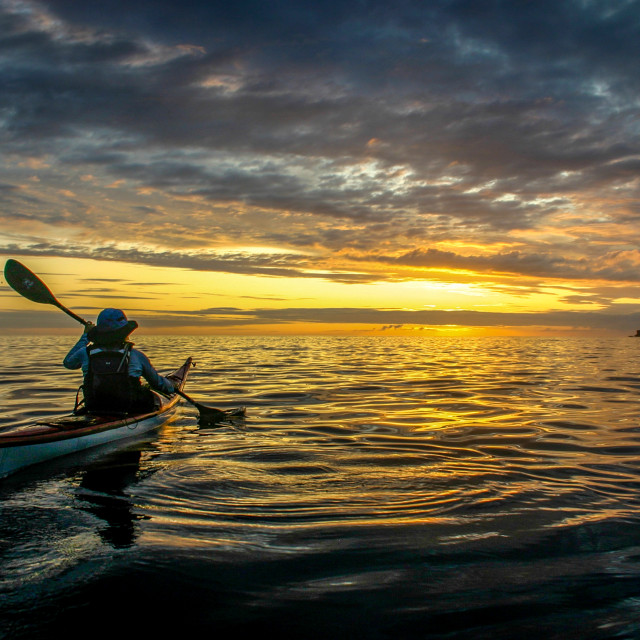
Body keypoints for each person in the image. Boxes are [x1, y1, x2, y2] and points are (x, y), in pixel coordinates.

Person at [64, 308, 177, 414]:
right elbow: (157, 383)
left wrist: (85, 337)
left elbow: (68, 363)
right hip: (131, 408)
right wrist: (172, 387)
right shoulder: (135, 355)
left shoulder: (85, 353)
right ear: (125, 332)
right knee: (149, 395)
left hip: (94, 407)